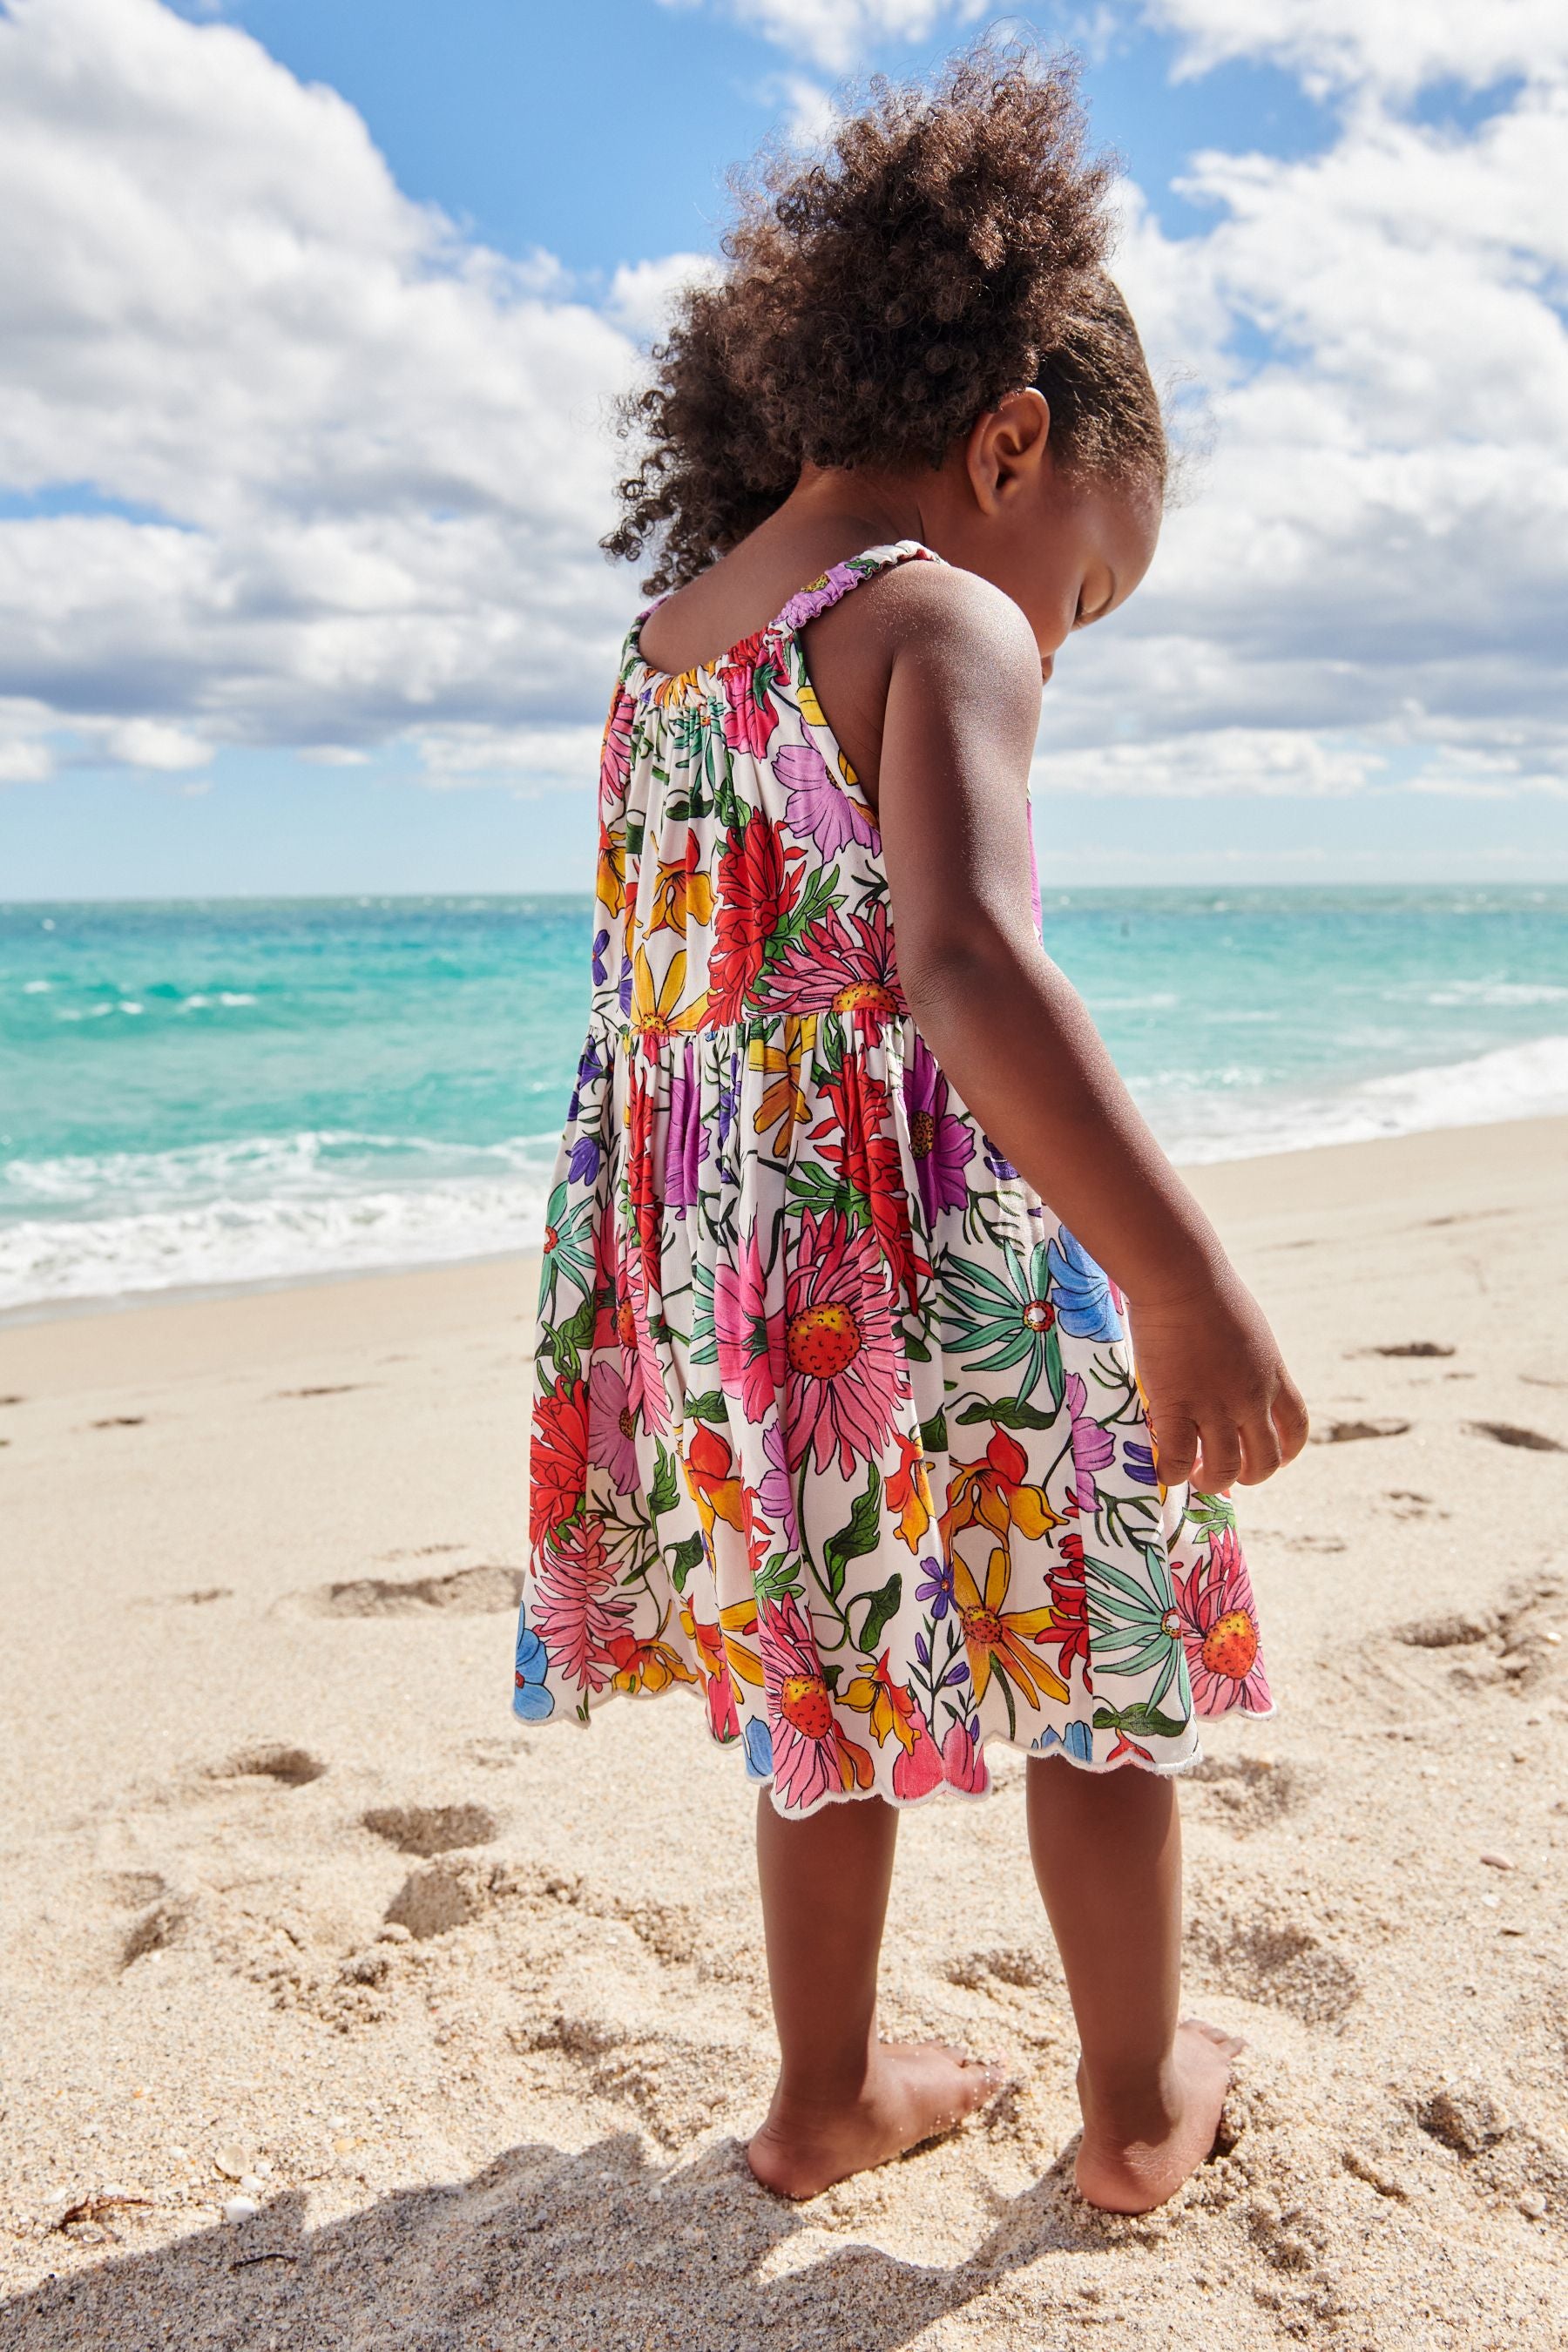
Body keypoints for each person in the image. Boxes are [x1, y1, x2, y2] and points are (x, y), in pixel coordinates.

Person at [516, 45, 1308, 2216]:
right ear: (1012, 441)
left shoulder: (672, 645)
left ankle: (823, 2096)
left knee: (823, 1685)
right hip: (940, 1247)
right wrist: (1176, 1270)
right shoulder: (941, 611)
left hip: (742, 1295)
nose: (1066, 636)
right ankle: (1140, 2108)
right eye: (1093, 591)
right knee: (1106, 1659)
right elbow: (962, 960)